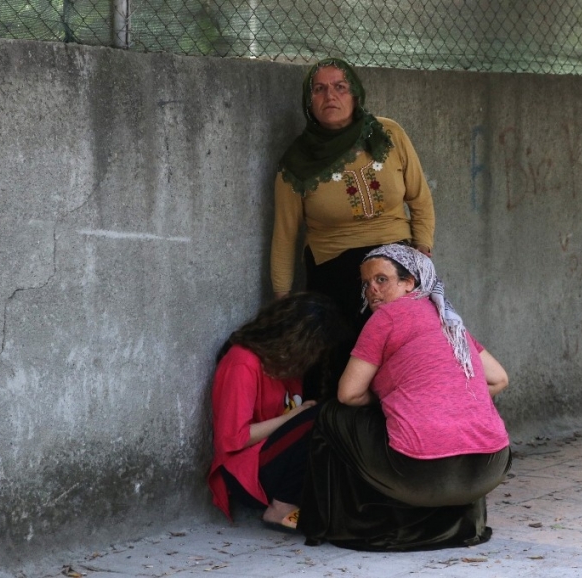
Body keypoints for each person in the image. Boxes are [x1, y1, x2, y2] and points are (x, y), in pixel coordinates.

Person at [298, 244, 511, 551]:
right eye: (366, 283)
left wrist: (392, 401)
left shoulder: (387, 317)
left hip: (420, 475)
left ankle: (330, 523)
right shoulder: (448, 318)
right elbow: (499, 379)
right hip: (490, 468)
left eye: (381, 280)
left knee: (332, 414)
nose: (372, 290)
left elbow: (348, 393)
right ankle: (464, 522)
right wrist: (453, 399)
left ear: (410, 282)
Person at [271, 57, 435, 332]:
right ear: (309, 102)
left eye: (340, 87)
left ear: (356, 95)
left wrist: (422, 253)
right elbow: (285, 235)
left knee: (413, 340)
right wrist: (282, 299)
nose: (330, 96)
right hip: (334, 265)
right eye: (319, 89)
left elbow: (420, 199)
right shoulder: (297, 162)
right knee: (342, 349)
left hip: (395, 258)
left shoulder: (389, 134)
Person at [207, 293, 351, 532]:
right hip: (247, 474)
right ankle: (280, 508)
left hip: (274, 461)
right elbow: (234, 438)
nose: (315, 357)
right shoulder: (242, 362)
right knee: (320, 417)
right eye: (315, 348)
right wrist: (293, 417)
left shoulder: (287, 366)